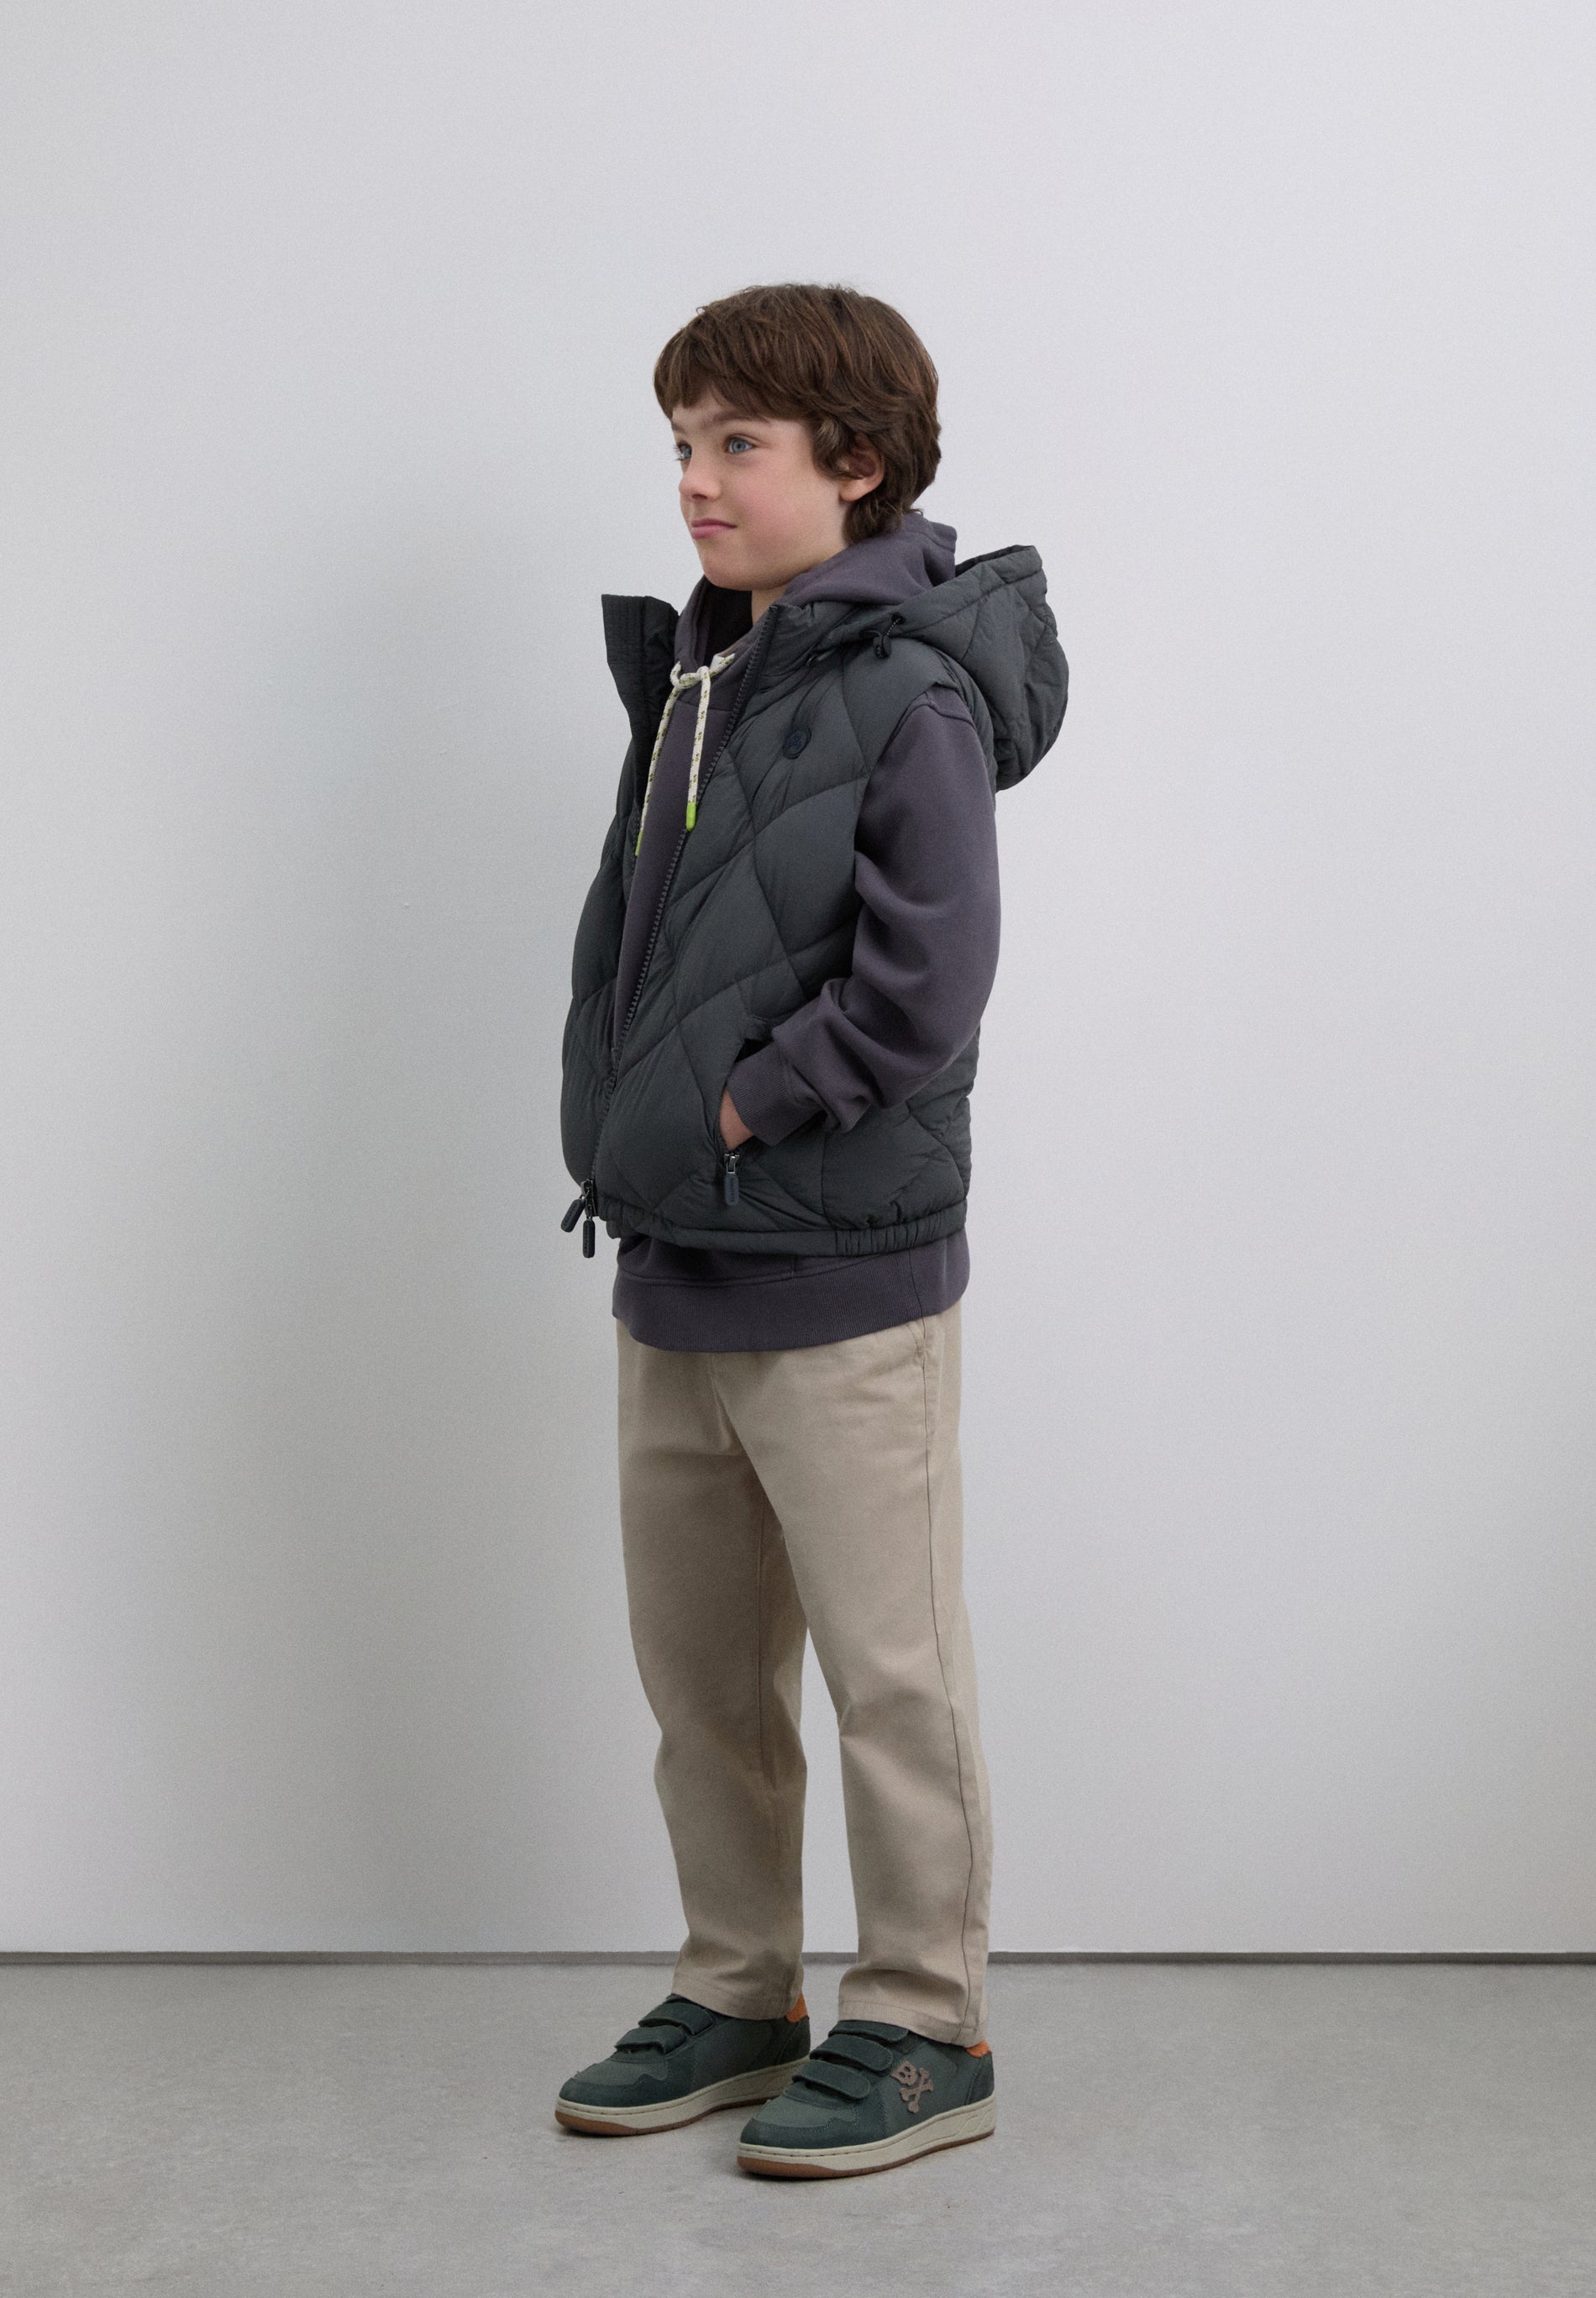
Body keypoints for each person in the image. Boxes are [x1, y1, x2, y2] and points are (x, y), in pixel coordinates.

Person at [554, 281, 1068, 2179]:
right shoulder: (710, 674)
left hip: (842, 1280)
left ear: (855, 463)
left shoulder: (908, 691)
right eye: (681, 444)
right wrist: (655, 1148)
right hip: (675, 1266)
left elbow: (924, 990)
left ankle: (926, 2021)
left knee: (887, 1676)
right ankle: (738, 1987)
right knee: (701, 1683)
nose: (693, 480)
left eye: (736, 443)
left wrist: (738, 1105)